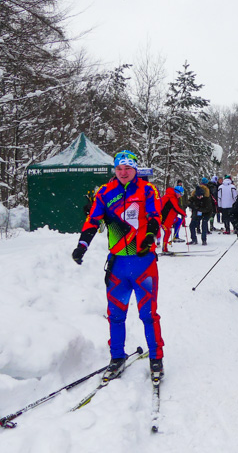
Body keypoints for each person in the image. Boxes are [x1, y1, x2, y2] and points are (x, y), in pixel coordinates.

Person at [71, 150, 166, 382]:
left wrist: (150, 235)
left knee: (148, 315)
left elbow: (155, 215)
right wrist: (82, 245)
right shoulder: (105, 192)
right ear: (115, 170)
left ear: (135, 169)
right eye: (119, 168)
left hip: (143, 263)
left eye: (128, 168)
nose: (124, 172)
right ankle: (116, 357)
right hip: (118, 266)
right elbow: (93, 220)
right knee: (115, 315)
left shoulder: (146, 189)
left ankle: (156, 358)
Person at [159, 186, 186, 253]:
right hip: (163, 219)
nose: (180, 196)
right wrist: (183, 214)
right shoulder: (171, 197)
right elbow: (176, 208)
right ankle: (164, 249)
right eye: (181, 194)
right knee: (167, 232)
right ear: (177, 192)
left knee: (177, 222)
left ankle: (165, 248)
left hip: (167, 218)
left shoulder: (171, 197)